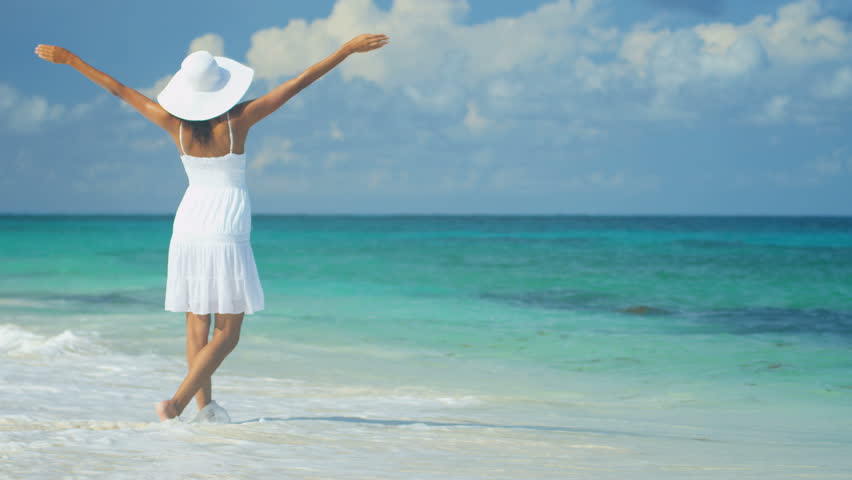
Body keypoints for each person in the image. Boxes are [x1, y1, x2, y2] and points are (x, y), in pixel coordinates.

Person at [34, 33, 390, 422]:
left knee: (196, 322)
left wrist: (71, 59)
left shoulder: (174, 125)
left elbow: (120, 90)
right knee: (229, 332)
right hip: (225, 224)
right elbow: (298, 83)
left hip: (188, 223)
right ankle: (176, 403)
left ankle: (205, 410)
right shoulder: (238, 120)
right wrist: (344, 51)